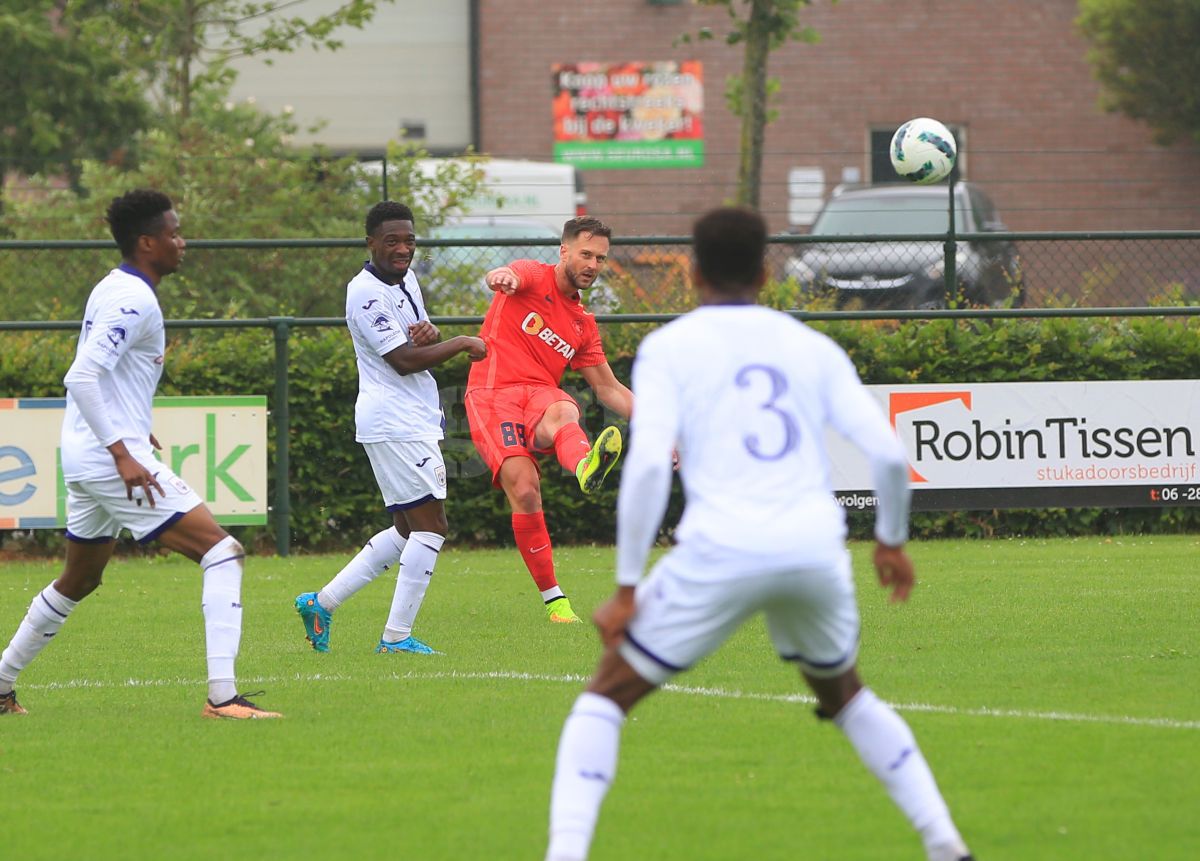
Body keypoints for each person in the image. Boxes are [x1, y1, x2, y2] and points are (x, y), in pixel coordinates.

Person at [544, 207, 974, 861]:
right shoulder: (811, 346)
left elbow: (652, 465)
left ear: (690, 272)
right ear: (767, 272)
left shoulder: (670, 348)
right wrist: (889, 541)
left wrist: (628, 585)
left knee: (603, 700)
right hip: (813, 549)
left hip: (721, 547)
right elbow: (888, 454)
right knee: (847, 695)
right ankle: (947, 844)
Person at [0, 190, 280, 719]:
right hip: (109, 461)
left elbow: (106, 378)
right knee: (223, 552)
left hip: (88, 456)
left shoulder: (114, 286)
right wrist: (122, 451)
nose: (182, 241)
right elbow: (81, 375)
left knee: (80, 579)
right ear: (147, 242)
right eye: (174, 233)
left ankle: (0, 684)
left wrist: (133, 427)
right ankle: (223, 697)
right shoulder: (134, 299)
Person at [294, 201, 487, 654]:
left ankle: (320, 604)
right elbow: (400, 361)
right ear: (371, 243)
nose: (403, 249)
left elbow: (416, 339)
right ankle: (396, 637)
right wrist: (460, 342)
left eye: (409, 241)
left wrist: (434, 335)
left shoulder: (406, 280)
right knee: (432, 526)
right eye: (392, 241)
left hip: (411, 417)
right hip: (395, 421)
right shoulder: (364, 292)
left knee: (406, 529)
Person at [464, 215, 632, 624]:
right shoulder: (531, 275)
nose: (592, 265)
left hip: (539, 395)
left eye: (601, 259)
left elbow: (608, 389)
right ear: (564, 251)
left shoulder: (582, 325)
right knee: (524, 490)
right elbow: (509, 274)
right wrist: (499, 276)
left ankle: (585, 466)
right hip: (492, 394)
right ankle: (556, 601)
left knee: (564, 408)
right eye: (586, 254)